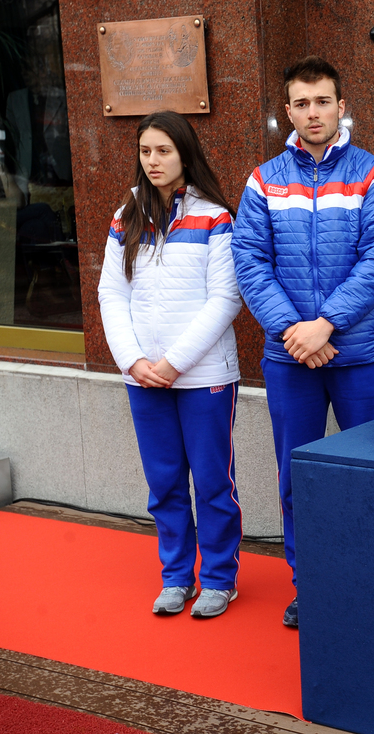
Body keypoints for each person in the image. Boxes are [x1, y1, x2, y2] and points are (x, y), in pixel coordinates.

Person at [232, 55, 374, 629]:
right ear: (287, 111)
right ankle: (311, 587)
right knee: (297, 478)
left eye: (322, 101)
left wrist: (324, 325)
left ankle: (372, 579)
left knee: (369, 473)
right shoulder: (263, 181)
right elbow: (251, 264)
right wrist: (295, 333)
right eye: (301, 103)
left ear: (341, 105)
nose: (313, 113)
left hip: (357, 357)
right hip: (290, 359)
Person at [97, 111, 243, 619]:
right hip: (144, 378)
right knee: (163, 483)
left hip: (203, 376)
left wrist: (174, 363)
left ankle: (221, 579)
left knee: (211, 481)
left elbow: (226, 299)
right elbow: (110, 294)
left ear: (185, 152)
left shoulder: (215, 215)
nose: (153, 161)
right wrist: (134, 361)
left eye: (163, 151)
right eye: (145, 152)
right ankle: (177, 577)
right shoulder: (126, 215)